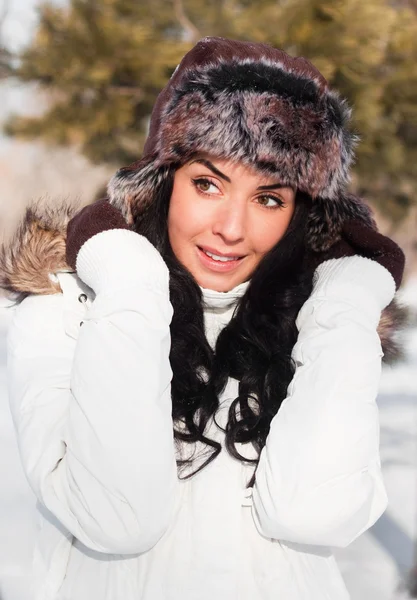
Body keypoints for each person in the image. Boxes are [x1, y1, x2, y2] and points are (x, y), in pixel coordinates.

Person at [2, 37, 405, 600]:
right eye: (207, 184)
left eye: (269, 198)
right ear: (162, 183)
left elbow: (314, 513)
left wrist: (344, 303)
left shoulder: (319, 328)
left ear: (299, 215)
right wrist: (131, 283)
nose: (231, 228)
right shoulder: (68, 310)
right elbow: (116, 518)